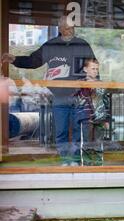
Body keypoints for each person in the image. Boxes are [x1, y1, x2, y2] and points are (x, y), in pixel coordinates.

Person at [2, 15, 97, 166]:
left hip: (80, 95)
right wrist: (15, 60)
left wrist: (95, 84)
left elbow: (93, 66)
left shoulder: (82, 44)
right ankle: (66, 160)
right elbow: (33, 61)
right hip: (59, 96)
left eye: (71, 28)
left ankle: (77, 160)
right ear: (60, 29)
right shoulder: (51, 46)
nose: (69, 31)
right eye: (66, 28)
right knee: (61, 132)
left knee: (80, 130)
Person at [73, 58, 110, 166]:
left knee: (98, 142)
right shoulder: (80, 84)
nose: (95, 71)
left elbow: (106, 102)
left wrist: (106, 119)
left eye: (97, 69)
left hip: (100, 117)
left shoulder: (101, 84)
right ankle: (87, 165)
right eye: (92, 68)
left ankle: (98, 164)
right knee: (87, 142)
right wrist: (86, 88)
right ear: (85, 69)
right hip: (86, 117)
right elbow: (76, 101)